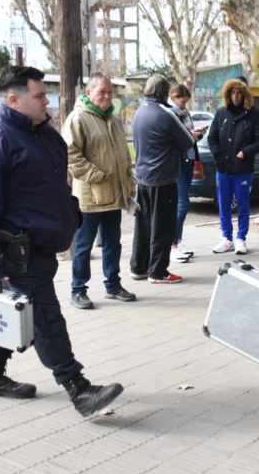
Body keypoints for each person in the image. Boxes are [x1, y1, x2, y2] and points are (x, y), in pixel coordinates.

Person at [0, 65, 124, 417]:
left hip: (44, 247)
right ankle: (78, 389)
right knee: (46, 318)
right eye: (38, 96)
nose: (45, 101)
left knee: (20, 313)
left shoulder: (46, 135)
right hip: (18, 252)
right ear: (14, 100)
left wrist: (72, 213)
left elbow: (57, 184)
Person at [63, 72, 137, 310]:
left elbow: (123, 157)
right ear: (88, 93)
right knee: (84, 247)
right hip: (90, 198)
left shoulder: (113, 120)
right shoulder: (78, 119)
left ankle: (113, 285)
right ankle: (78, 290)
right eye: (101, 92)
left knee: (113, 244)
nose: (106, 96)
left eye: (109, 92)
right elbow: (71, 157)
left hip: (114, 196)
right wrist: (98, 176)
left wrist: (129, 183)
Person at [130, 74, 195, 284]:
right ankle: (158, 272)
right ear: (165, 93)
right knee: (163, 226)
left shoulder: (139, 112)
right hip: (163, 178)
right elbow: (186, 141)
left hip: (142, 178)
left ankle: (139, 267)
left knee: (144, 225)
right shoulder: (165, 114)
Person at [207, 78, 259, 255]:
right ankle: (227, 238)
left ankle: (241, 238)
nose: (235, 96)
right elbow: (212, 138)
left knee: (243, 205)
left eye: (238, 92)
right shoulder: (221, 114)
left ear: (244, 94)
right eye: (232, 92)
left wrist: (245, 152)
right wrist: (218, 155)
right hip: (223, 169)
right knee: (224, 204)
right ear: (228, 94)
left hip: (243, 169)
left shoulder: (254, 115)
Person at [168, 84, 206, 264]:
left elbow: (187, 136)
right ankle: (172, 245)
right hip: (179, 162)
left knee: (182, 203)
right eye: (182, 101)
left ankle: (179, 241)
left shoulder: (185, 113)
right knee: (182, 204)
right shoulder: (171, 114)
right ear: (174, 97)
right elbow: (175, 138)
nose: (184, 104)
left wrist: (196, 134)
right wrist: (190, 134)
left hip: (189, 159)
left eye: (186, 101)